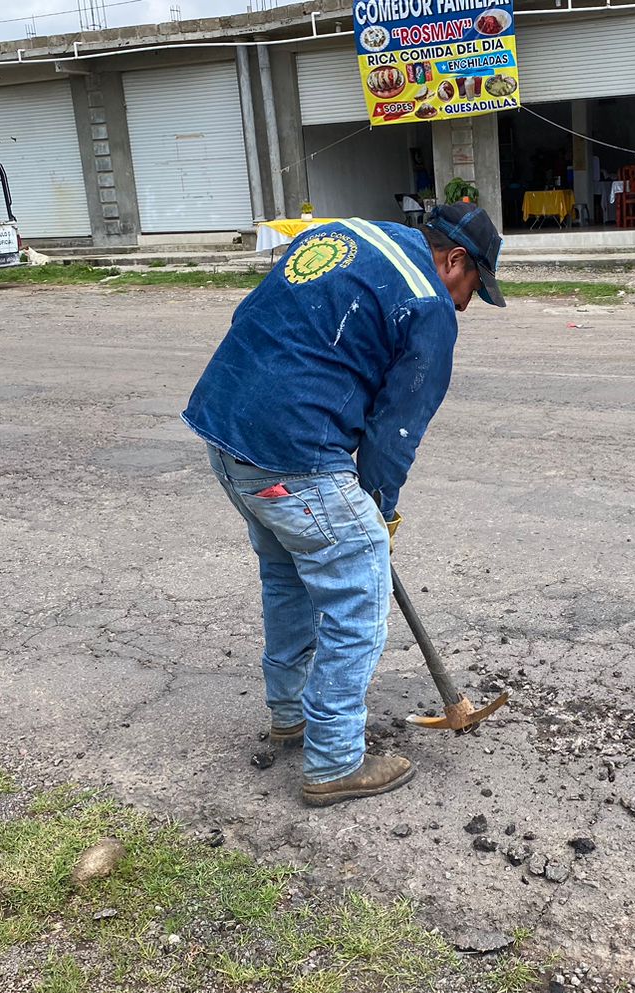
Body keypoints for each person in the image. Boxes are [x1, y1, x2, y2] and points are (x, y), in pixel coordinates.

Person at [183, 203, 506, 807]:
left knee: (289, 578)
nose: (466, 303)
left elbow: (254, 314)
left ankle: (292, 715)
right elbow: (395, 433)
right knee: (359, 585)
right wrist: (380, 510)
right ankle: (333, 761)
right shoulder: (430, 304)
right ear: (454, 260)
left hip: (227, 431)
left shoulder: (343, 234)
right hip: (293, 451)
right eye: (473, 287)